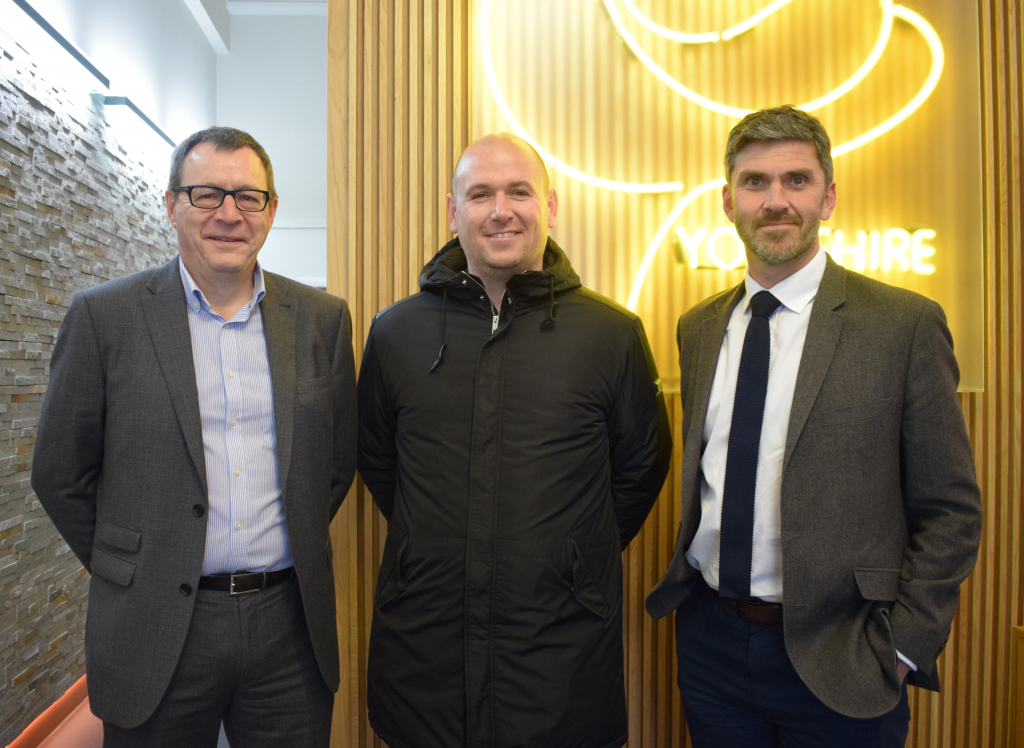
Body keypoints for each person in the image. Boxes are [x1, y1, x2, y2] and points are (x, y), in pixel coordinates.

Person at [646, 105, 983, 747]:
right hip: (712, 643)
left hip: (846, 653)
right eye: (755, 182)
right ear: (727, 202)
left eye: (796, 181)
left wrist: (905, 647)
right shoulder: (699, 327)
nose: (776, 201)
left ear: (828, 198)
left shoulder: (902, 325)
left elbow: (951, 509)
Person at [32, 126, 356, 747]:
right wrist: (130, 565)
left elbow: (335, 465)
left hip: (288, 624)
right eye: (207, 195)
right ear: (172, 204)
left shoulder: (321, 320)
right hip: (155, 623)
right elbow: (60, 473)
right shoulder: (105, 318)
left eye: (248, 197)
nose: (229, 214)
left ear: (272, 211)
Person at [357, 132, 672, 748]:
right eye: (480, 194)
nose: (500, 210)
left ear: (549, 207)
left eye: (518, 192)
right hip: (427, 652)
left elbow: (641, 466)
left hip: (560, 657)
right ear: (453, 211)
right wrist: (435, 539)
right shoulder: (395, 333)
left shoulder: (611, 333)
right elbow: (378, 459)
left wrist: (574, 553)